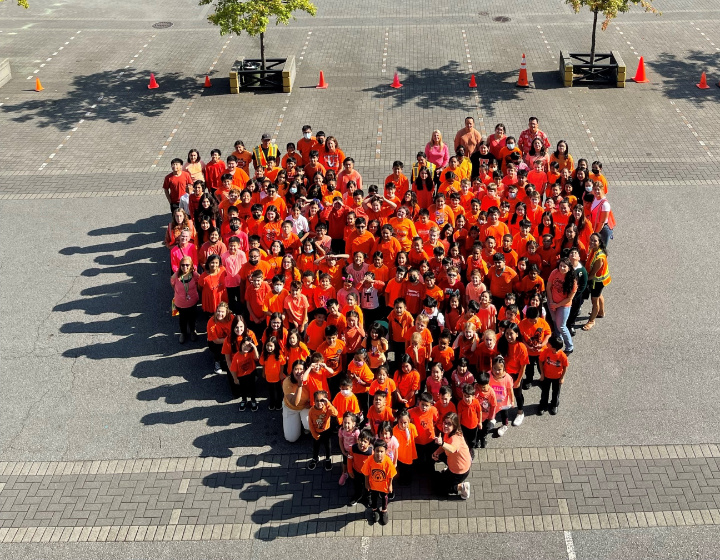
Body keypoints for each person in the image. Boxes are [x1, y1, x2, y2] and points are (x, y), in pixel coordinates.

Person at [431, 412, 472, 499]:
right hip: (453, 464)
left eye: (449, 424)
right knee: (438, 479)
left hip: (459, 471)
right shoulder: (448, 433)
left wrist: (441, 443)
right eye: (445, 423)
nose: (445, 426)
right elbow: (445, 446)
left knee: (439, 489)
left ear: (454, 426)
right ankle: (447, 473)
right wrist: (437, 452)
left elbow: (452, 449)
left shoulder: (455, 438)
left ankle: (462, 487)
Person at [546, 258, 578, 354]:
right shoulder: (554, 272)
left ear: (569, 268)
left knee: (561, 326)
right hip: (552, 302)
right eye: (560, 265)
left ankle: (569, 347)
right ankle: (558, 342)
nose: (562, 268)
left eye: (564, 266)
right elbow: (548, 287)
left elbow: (569, 299)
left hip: (564, 305)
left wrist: (557, 305)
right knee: (555, 322)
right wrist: (551, 302)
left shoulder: (573, 281)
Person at [362, 439, 396, 526]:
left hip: (383, 485)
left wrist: (390, 485)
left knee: (384, 497)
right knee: (374, 497)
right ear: (374, 450)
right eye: (377, 451)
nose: (379, 454)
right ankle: (374, 509)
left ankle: (384, 511)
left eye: (381, 451)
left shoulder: (388, 461)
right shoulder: (370, 460)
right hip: (373, 485)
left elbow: (391, 475)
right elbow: (366, 472)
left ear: (385, 451)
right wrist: (366, 483)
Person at [582, 233, 611, 331]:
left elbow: (592, 274)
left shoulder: (599, 257)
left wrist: (583, 282)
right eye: (591, 240)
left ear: (599, 242)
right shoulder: (594, 250)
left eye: (595, 241)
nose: (592, 242)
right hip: (600, 280)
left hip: (597, 281)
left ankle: (591, 321)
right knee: (599, 295)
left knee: (594, 300)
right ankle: (601, 312)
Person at [171, 256, 200, 343]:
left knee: (192, 318)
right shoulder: (175, 276)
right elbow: (173, 285)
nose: (185, 267)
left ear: (191, 265)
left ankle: (192, 331)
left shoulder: (195, 275)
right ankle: (183, 333)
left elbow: (199, 285)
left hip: (193, 301)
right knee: (182, 319)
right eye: (183, 265)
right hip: (180, 303)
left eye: (187, 265)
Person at [538, 335, 569, 415]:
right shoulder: (546, 351)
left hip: (557, 378)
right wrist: (542, 374)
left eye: (549, 343)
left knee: (556, 392)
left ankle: (554, 405)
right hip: (546, 376)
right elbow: (541, 361)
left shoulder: (562, 356)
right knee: (545, 391)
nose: (547, 343)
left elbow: (565, 366)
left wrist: (562, 378)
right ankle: (543, 405)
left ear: (554, 348)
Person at [307, 390, 338, 471]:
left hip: (326, 431)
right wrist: (314, 434)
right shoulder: (311, 411)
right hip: (316, 432)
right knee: (316, 446)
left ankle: (328, 458)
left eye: (322, 400)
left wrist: (328, 404)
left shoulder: (327, 408)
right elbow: (310, 424)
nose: (319, 403)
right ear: (314, 401)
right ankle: (315, 458)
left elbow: (335, 413)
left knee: (328, 446)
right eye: (317, 400)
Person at [348, 428, 374, 506]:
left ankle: (368, 497)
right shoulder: (353, 448)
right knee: (357, 485)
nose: (362, 443)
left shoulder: (371, 453)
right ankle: (358, 495)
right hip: (356, 471)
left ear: (369, 444)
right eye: (361, 440)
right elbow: (349, 459)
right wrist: (350, 470)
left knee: (368, 487)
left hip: (367, 474)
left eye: (365, 442)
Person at [590, 181, 615, 248]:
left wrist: (595, 233)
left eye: (598, 189)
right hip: (596, 225)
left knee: (601, 249)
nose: (596, 191)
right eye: (595, 189)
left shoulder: (605, 205)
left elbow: (602, 222)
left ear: (602, 190)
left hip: (602, 229)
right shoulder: (595, 197)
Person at [338, 412, 360, 486]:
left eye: (348, 423)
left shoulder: (356, 432)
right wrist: (343, 451)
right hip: (346, 451)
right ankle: (344, 473)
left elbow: (357, 444)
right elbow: (340, 441)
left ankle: (353, 472)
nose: (346, 425)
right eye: (345, 423)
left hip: (353, 452)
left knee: (353, 463)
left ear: (353, 424)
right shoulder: (341, 430)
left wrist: (354, 453)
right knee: (345, 462)